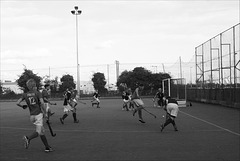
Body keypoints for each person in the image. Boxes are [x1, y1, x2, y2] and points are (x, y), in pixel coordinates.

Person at [16, 79, 53, 152]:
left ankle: (47, 147)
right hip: (38, 115)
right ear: (34, 86)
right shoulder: (38, 93)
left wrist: (22, 106)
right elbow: (42, 103)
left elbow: (17, 103)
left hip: (32, 116)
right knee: (38, 132)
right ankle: (28, 138)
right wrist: (45, 113)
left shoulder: (25, 94)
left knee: (42, 132)